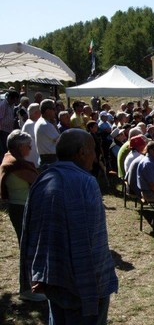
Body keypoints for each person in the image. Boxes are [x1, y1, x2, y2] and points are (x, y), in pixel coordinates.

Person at [20, 129, 118, 322]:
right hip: (83, 285)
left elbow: (30, 232)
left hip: (54, 277)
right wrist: (95, 287)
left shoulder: (43, 179)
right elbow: (93, 241)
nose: (95, 155)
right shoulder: (86, 182)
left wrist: (36, 273)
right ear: (82, 152)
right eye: (93, 150)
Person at [0, 130, 42, 301]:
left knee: (31, 247)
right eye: (28, 146)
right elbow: (38, 181)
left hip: (22, 207)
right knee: (28, 249)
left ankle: (33, 285)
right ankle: (27, 289)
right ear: (20, 147)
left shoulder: (11, 159)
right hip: (21, 208)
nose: (31, 148)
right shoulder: (16, 164)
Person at [34, 99, 60, 168]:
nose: (56, 111)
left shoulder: (41, 122)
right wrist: (55, 126)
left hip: (45, 158)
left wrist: (54, 124)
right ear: (48, 111)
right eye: (54, 109)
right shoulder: (45, 125)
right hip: (50, 159)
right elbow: (60, 141)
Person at [0, 90, 20, 160]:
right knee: (4, 149)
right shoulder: (3, 105)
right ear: (13, 98)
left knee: (7, 148)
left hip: (8, 130)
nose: (16, 101)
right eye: (16, 99)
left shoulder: (12, 105)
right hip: (3, 130)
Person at [21, 103, 41, 167]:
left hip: (34, 161)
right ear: (36, 113)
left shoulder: (32, 123)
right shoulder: (30, 124)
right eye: (40, 112)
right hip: (33, 161)